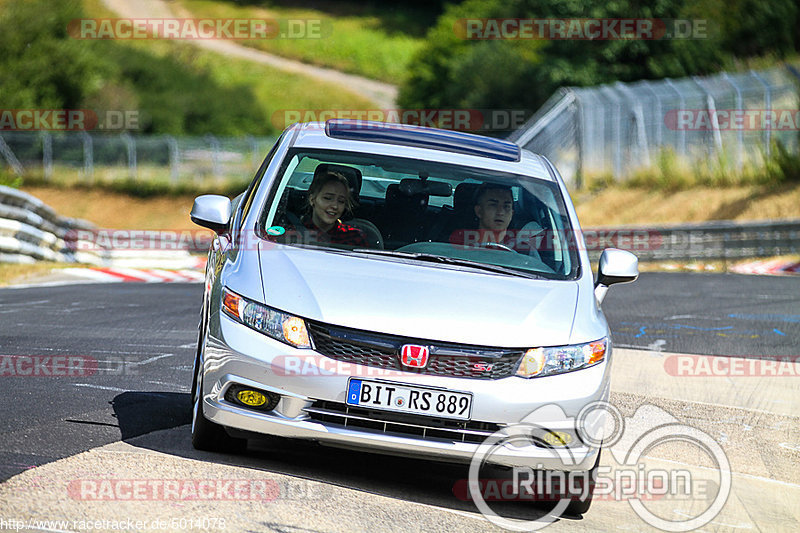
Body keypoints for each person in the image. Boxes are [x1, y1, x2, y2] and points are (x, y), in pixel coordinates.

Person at [301, 170, 368, 247]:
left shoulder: (355, 237)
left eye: (341, 201)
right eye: (328, 198)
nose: (335, 206)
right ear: (312, 200)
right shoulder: (294, 232)